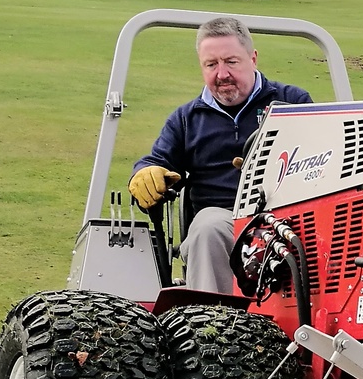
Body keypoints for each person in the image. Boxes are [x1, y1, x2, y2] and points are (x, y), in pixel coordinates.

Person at [129, 15, 313, 293]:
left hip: (288, 220)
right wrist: (145, 172)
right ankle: (211, 327)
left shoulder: (293, 102)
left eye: (231, 62)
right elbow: (157, 162)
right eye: (211, 64)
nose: (222, 73)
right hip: (222, 222)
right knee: (209, 227)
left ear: (253, 58)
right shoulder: (187, 119)